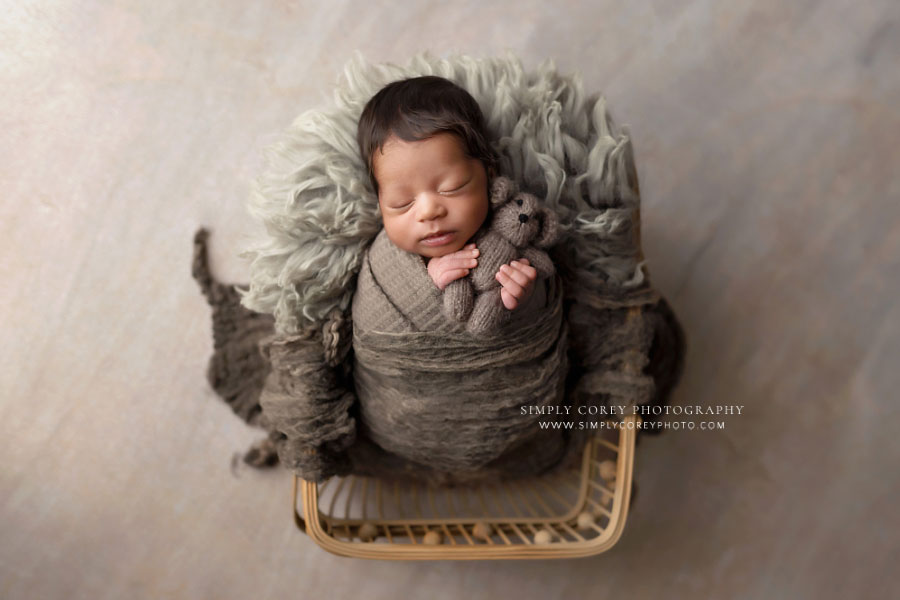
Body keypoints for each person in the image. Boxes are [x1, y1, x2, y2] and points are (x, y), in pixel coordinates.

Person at [356, 75, 539, 312]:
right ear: (380, 202)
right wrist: (426, 286)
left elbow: (552, 304)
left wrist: (525, 297)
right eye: (401, 203)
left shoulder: (516, 233)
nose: (428, 211)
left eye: (451, 188)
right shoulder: (383, 264)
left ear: (489, 175)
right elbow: (371, 322)